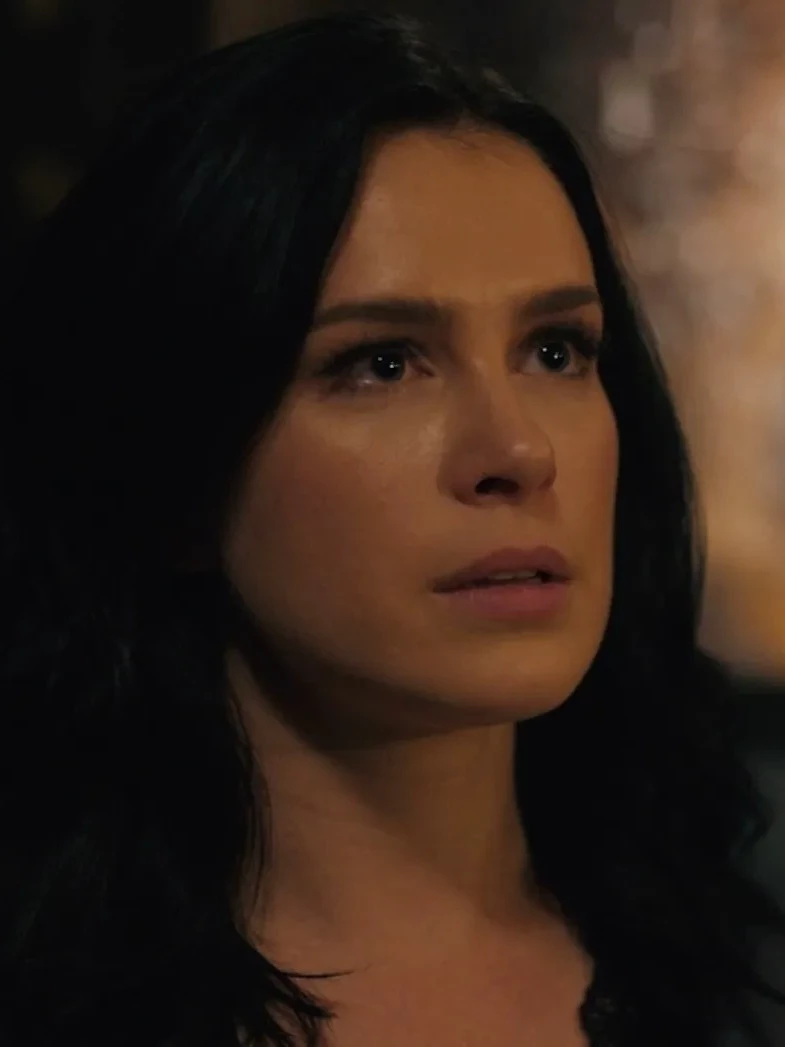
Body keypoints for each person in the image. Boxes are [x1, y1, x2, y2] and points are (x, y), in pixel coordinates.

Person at [1, 11, 783, 1047]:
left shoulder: (747, 929)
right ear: (174, 470)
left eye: (555, 350)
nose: (518, 449)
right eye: (380, 363)